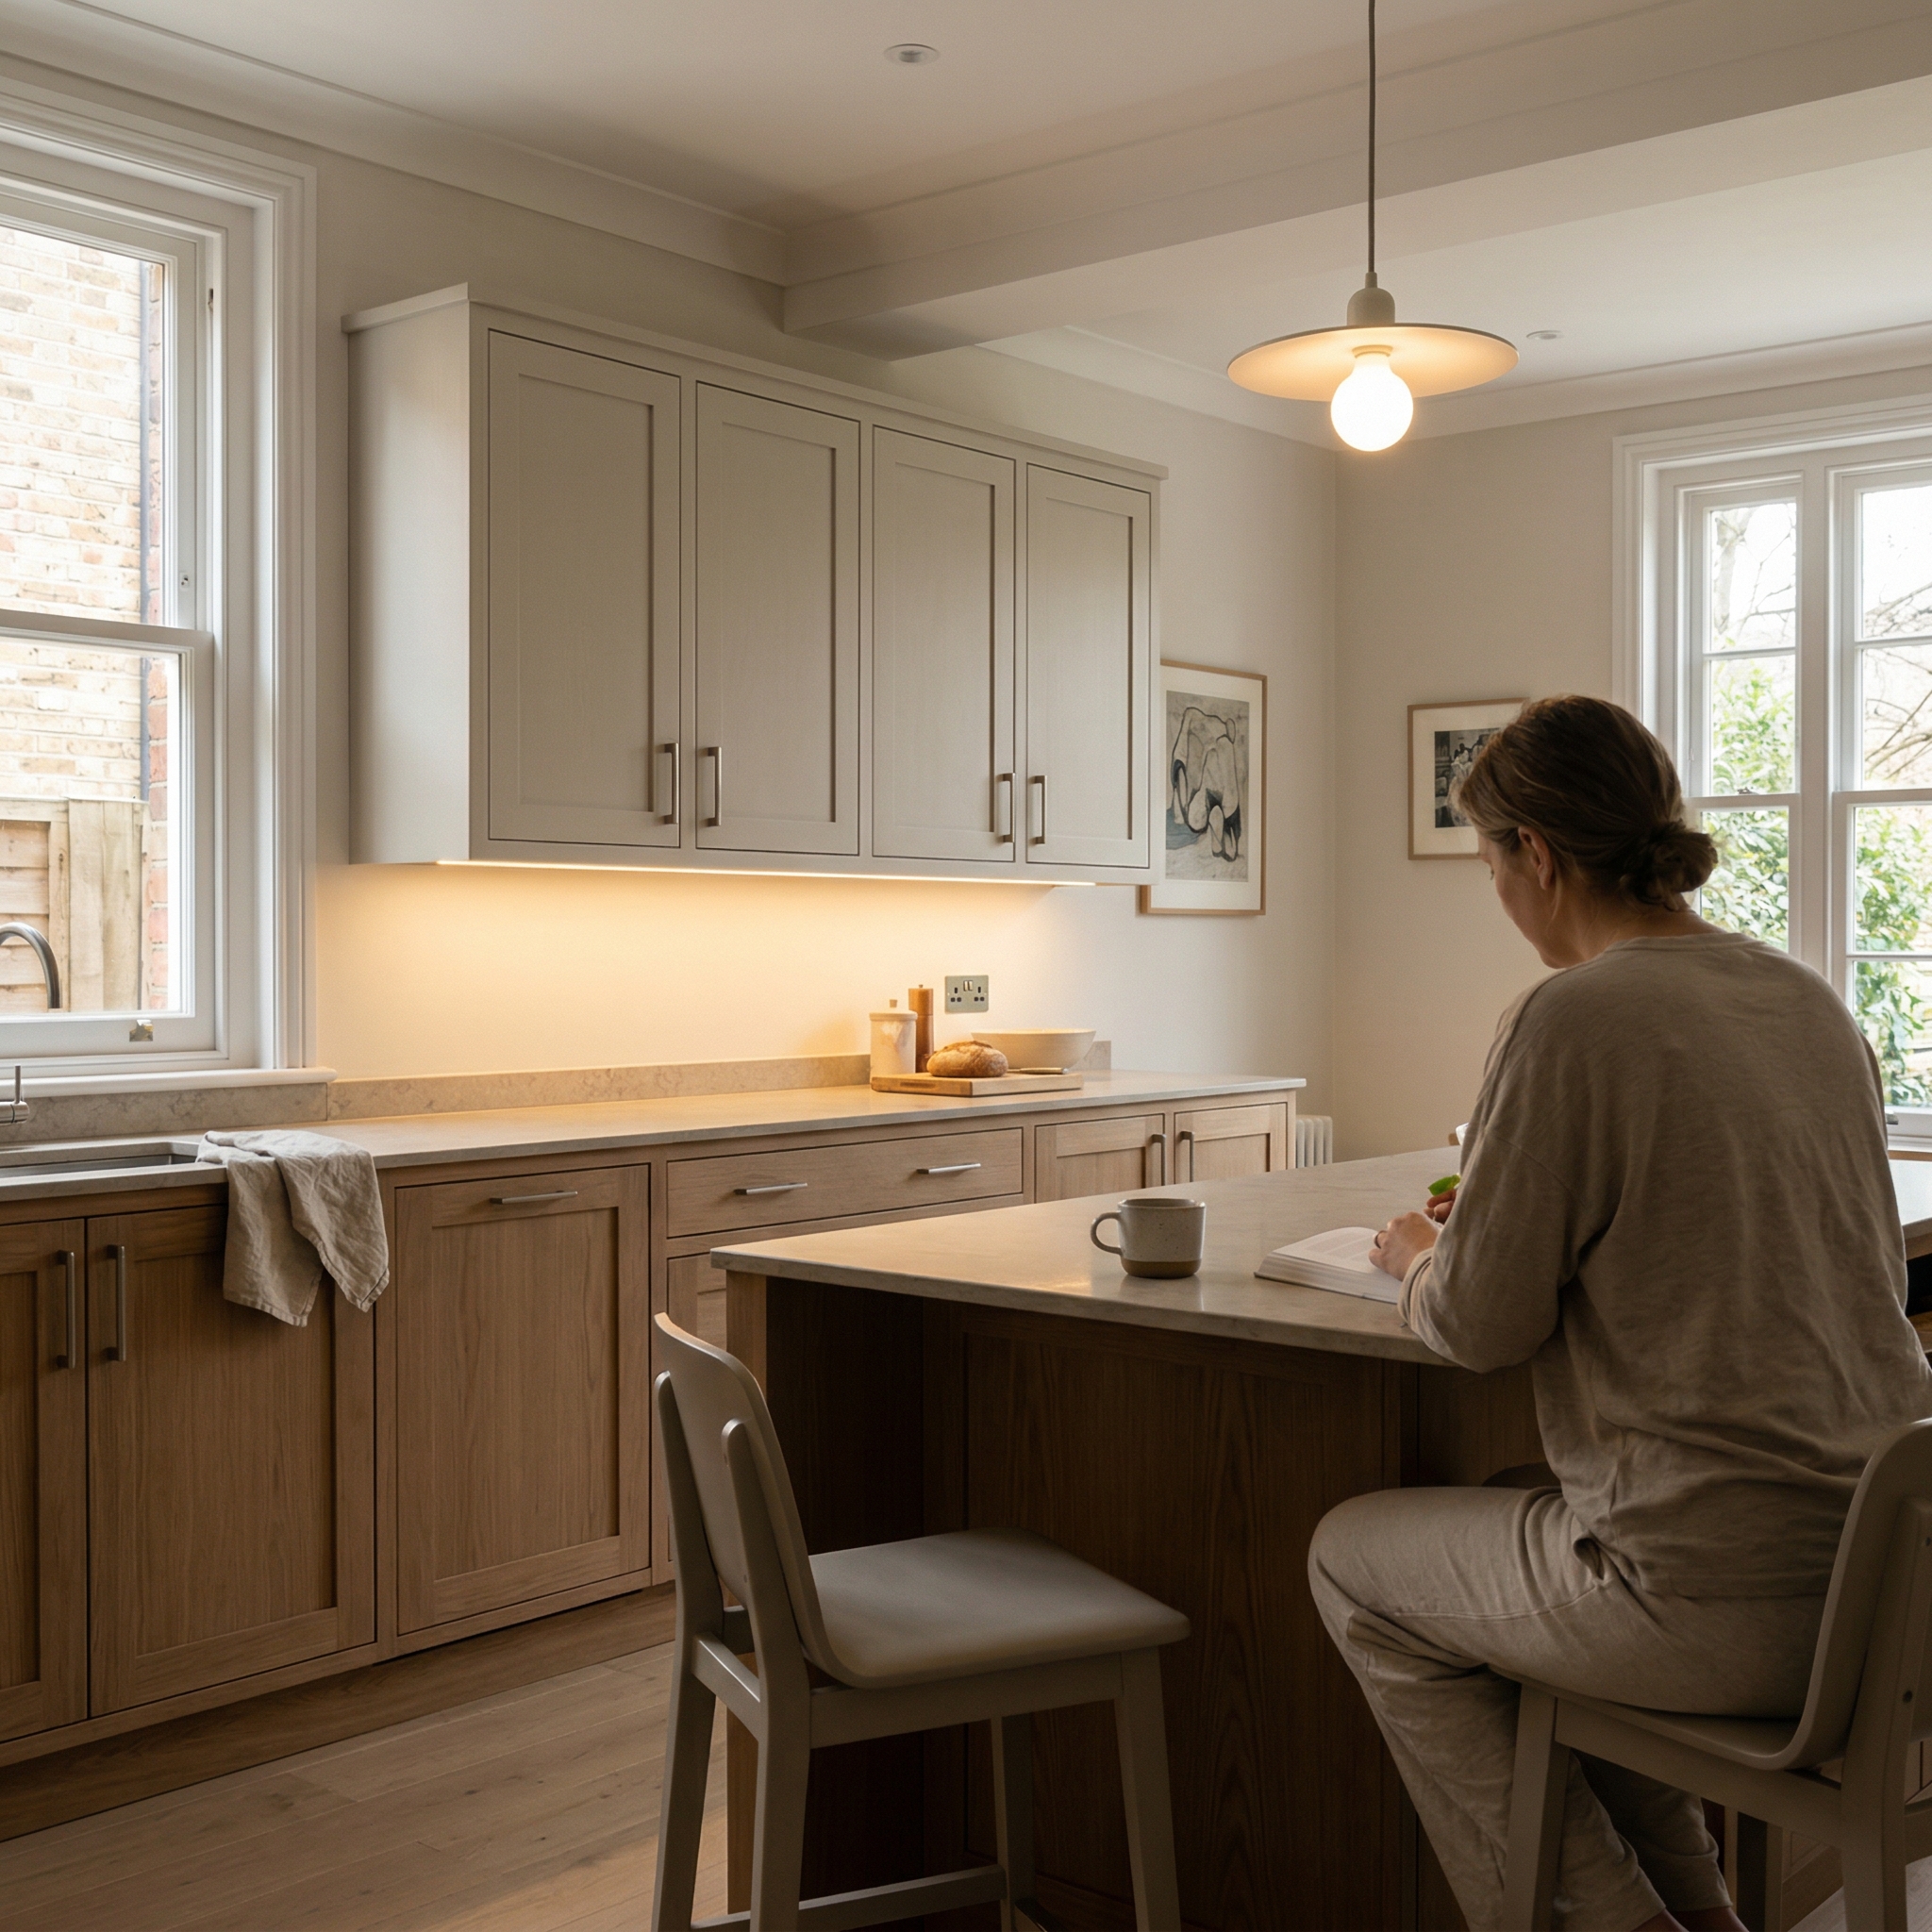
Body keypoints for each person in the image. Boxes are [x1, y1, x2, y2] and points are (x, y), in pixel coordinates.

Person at [1307, 694, 1932, 1932]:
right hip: (1890, 1583)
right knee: (1499, 1513)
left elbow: (1479, 1324)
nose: (1498, 893)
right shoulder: (1808, 1001)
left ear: (1536, 854)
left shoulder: (1572, 1016)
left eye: (1492, 862)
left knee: (1351, 1559)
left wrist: (1422, 1256)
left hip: (1718, 1605)